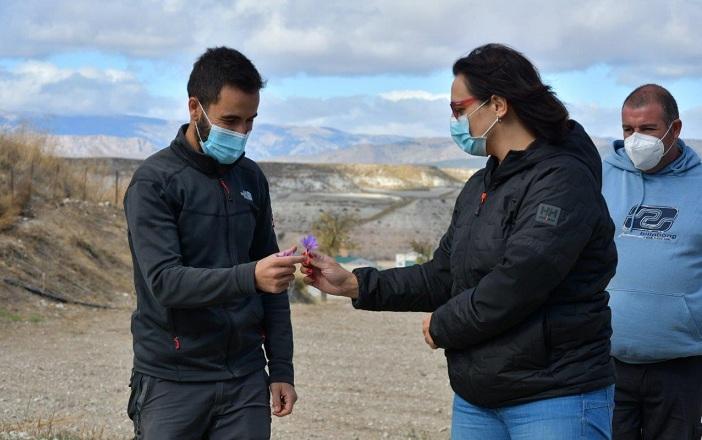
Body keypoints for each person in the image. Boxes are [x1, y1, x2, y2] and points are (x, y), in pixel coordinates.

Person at [302, 43, 618, 439]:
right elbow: (445, 274)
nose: (454, 122)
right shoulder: (480, 186)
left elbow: (520, 280)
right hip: (478, 399)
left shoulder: (561, 181)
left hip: (554, 398)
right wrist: (356, 284)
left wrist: (444, 325)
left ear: (498, 105)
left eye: (458, 109)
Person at [123, 47, 302, 439]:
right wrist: (250, 277)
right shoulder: (155, 183)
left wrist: (282, 368)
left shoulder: (251, 179)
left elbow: (273, 286)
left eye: (250, 122)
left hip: (245, 379)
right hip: (173, 379)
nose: (241, 133)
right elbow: (166, 283)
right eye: (230, 121)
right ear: (194, 108)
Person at [602, 84, 702, 440]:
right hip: (605, 362)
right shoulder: (600, 177)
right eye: (628, 129)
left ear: (675, 129)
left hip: (681, 368)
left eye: (647, 129)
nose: (635, 140)